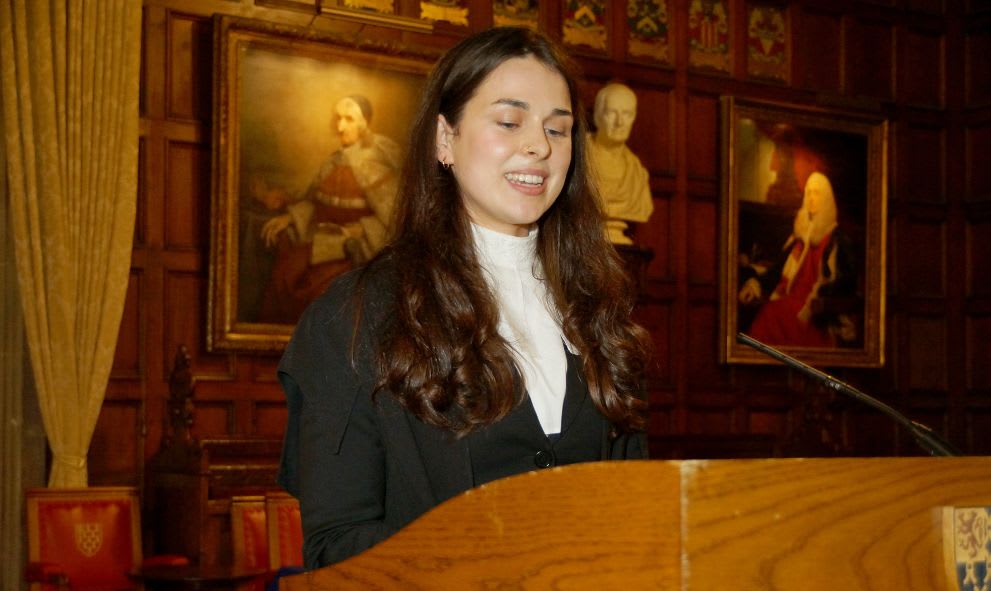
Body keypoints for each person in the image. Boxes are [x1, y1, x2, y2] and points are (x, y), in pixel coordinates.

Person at [276, 27, 651, 568]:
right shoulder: (357, 314)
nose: (539, 146)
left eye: (558, 129)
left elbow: (636, 516)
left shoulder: (599, 311)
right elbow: (337, 547)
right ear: (444, 139)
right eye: (508, 121)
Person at [257, 95, 402, 324]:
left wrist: (359, 230)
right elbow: (316, 204)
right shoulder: (334, 161)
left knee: (321, 296)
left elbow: (395, 219)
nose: (340, 126)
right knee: (283, 275)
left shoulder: (376, 163)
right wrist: (290, 217)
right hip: (318, 239)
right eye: (338, 119)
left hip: (351, 252)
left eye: (348, 119)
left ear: (364, 123)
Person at [738, 171, 857, 347]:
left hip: (814, 311)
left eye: (816, 193)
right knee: (769, 311)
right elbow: (777, 271)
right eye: (808, 192)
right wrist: (755, 284)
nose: (811, 198)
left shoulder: (837, 239)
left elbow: (846, 281)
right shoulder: (799, 235)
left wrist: (819, 299)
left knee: (772, 312)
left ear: (826, 198)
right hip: (789, 301)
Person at [586, 82, 653, 244]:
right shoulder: (577, 157)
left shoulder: (636, 171)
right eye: (612, 113)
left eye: (627, 114)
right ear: (598, 115)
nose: (620, 122)